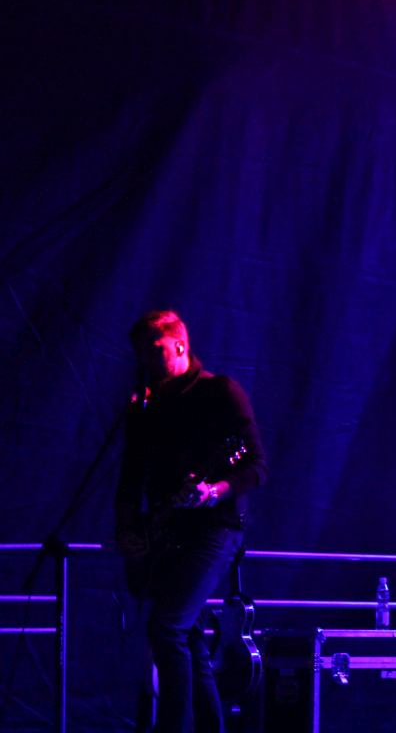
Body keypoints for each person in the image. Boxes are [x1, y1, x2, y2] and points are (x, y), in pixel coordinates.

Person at [115, 310, 268, 732]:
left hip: (215, 529)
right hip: (166, 530)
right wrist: (127, 530)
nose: (146, 359)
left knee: (166, 629)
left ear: (180, 344)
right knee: (190, 640)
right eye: (141, 352)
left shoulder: (220, 392)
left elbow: (257, 466)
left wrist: (213, 490)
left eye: (155, 349)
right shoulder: (145, 406)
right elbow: (130, 477)